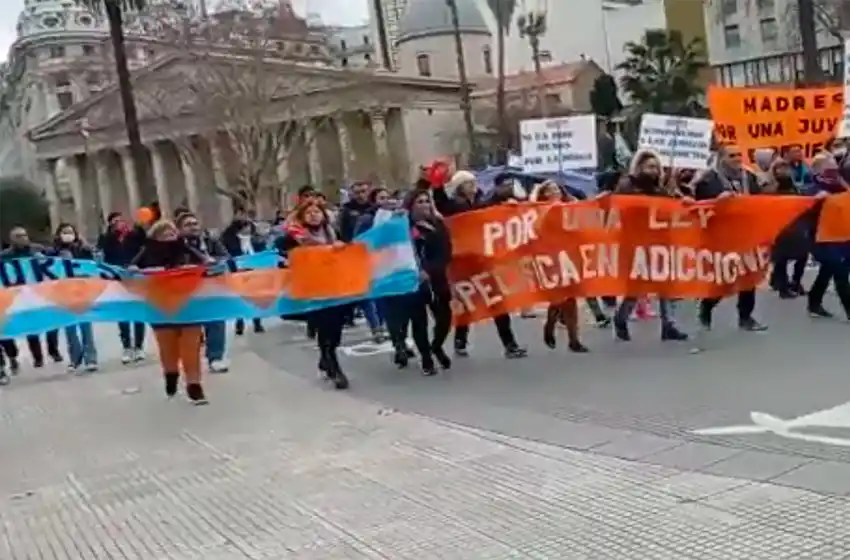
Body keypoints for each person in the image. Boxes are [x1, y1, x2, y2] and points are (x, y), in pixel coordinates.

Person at [432, 170, 527, 359]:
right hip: (464, 261)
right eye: (468, 182)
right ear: (460, 187)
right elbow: (441, 203)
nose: (473, 185)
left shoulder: (482, 201)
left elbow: (496, 209)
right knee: (467, 304)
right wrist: (437, 184)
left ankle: (510, 344)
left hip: (484, 260)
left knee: (498, 303)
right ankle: (460, 340)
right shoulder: (454, 205)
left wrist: (510, 204)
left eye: (473, 181)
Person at [129, 219, 211, 404]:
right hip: (161, 308)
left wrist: (205, 266)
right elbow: (132, 270)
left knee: (191, 349)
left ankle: (194, 385)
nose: (170, 237)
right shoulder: (147, 252)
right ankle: (171, 375)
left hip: (189, 306)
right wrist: (142, 273)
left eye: (173, 233)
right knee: (168, 349)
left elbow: (207, 263)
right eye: (165, 234)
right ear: (156, 236)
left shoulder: (186, 249)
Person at [611, 151, 689, 342]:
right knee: (636, 288)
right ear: (639, 168)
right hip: (635, 243)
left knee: (666, 284)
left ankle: (668, 325)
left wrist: (677, 197)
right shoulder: (627, 185)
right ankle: (621, 319)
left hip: (660, 241)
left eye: (656, 167)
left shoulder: (662, 187)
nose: (653, 171)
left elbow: (672, 208)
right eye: (649, 167)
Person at [693, 144, 768, 332]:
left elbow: (761, 200)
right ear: (722, 158)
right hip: (722, 235)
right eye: (732, 155)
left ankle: (746, 317)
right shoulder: (709, 179)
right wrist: (719, 200)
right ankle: (707, 306)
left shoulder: (749, 177)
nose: (737, 159)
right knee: (726, 277)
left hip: (746, 233)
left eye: (739, 155)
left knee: (748, 275)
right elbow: (700, 207)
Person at [278, 201, 349, 390]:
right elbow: (282, 252)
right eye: (308, 213)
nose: (313, 215)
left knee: (336, 329)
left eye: (316, 212)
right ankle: (334, 368)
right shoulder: (295, 236)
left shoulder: (332, 232)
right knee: (324, 327)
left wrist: (342, 247)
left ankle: (325, 358)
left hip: (336, 285)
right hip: (313, 289)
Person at [387, 189, 453, 375]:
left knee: (444, 318)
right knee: (419, 321)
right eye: (420, 202)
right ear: (411, 205)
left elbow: (446, 252)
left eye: (427, 201)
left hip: (436, 278)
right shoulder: (402, 226)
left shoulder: (438, 224)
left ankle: (436, 346)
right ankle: (426, 357)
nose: (425, 205)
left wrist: (430, 270)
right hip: (412, 282)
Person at [529, 180, 589, 352]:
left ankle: (574, 340)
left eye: (557, 188)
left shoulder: (570, 205)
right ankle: (550, 325)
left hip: (571, 255)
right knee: (558, 297)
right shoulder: (539, 209)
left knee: (571, 298)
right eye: (550, 190)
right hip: (552, 256)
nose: (555, 191)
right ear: (544, 194)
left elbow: (588, 211)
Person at [177, 212, 232, 373]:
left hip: (211, 288)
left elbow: (225, 257)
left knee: (216, 322)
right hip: (187, 291)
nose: (193, 227)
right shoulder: (175, 246)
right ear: (180, 229)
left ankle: (215, 357)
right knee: (190, 327)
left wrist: (212, 263)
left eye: (195, 223)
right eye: (188, 224)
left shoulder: (210, 242)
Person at [0, 226, 63, 367]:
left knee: (52, 322)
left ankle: (53, 350)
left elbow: (54, 260)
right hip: (20, 296)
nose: (23, 238)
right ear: (12, 239)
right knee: (31, 326)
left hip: (41, 292)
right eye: (18, 236)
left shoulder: (37, 250)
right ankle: (37, 357)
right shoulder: (5, 256)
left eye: (24, 235)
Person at [49, 223, 99, 373]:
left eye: (70, 232)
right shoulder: (53, 252)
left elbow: (94, 268)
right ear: (58, 235)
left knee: (85, 326)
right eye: (64, 232)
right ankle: (75, 358)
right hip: (63, 293)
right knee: (69, 327)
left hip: (81, 291)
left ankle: (90, 358)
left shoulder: (83, 250)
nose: (68, 234)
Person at [805, 152, 850, 319]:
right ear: (818, 170)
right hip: (824, 236)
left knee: (828, 270)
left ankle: (814, 302)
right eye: (829, 170)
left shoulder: (841, 185)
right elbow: (803, 209)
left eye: (835, 169)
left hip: (844, 235)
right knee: (840, 272)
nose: (833, 173)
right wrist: (815, 200)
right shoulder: (812, 188)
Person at [97, 211, 146, 363]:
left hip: (135, 277)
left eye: (121, 220)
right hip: (117, 279)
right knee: (123, 314)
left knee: (138, 313)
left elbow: (144, 246)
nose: (119, 223)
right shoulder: (106, 239)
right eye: (115, 221)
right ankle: (126, 346)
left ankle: (138, 346)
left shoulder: (133, 235)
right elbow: (102, 257)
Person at [766, 158, 810, 298]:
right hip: (780, 229)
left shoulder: (796, 188)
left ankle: (796, 282)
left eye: (785, 168)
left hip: (796, 227)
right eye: (780, 169)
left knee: (803, 255)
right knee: (781, 260)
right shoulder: (770, 189)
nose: (783, 172)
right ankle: (783, 288)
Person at [220, 216, 267, 336]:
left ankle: (257, 322)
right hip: (238, 273)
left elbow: (263, 252)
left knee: (256, 298)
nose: (247, 229)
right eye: (244, 227)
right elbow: (227, 257)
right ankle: (239, 323)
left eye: (249, 227)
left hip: (254, 272)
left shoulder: (256, 240)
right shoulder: (229, 241)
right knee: (240, 299)